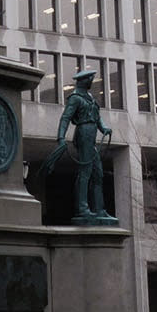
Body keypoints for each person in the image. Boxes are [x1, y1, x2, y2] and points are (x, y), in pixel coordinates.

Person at [55, 69, 114, 221]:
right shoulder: (75, 98)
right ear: (83, 81)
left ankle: (99, 209)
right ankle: (82, 209)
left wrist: (104, 128)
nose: (92, 82)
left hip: (92, 136)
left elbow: (97, 117)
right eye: (90, 79)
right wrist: (61, 137)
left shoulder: (90, 98)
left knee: (98, 174)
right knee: (85, 172)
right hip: (83, 134)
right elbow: (65, 118)